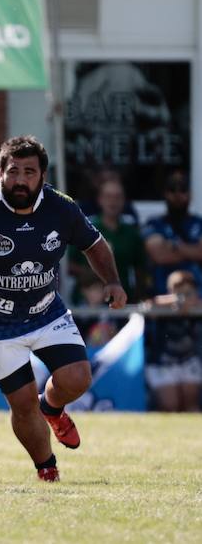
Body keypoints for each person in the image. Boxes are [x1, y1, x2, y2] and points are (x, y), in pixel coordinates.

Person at [0, 136, 127, 483]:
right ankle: (47, 467)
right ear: (0, 172)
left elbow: (95, 245)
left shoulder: (61, 207)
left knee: (78, 378)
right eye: (13, 171)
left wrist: (113, 281)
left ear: (42, 176)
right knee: (23, 402)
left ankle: (54, 408)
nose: (20, 180)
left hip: (47, 311)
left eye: (29, 172)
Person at [68, 178, 149, 304]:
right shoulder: (84, 228)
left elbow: (140, 270)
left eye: (118, 197)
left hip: (121, 302)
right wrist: (92, 273)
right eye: (108, 196)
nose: (113, 201)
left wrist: (138, 302)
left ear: (124, 201)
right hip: (87, 304)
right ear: (100, 200)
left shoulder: (132, 233)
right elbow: (67, 264)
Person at [143, 270, 202, 412]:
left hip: (188, 360)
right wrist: (175, 301)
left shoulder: (196, 303)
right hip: (162, 362)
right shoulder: (163, 304)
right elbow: (148, 306)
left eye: (188, 292)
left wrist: (192, 303)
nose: (183, 297)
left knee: (191, 404)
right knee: (170, 405)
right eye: (179, 292)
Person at [143, 169, 202, 295]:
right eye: (172, 190)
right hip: (162, 298)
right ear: (165, 194)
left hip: (197, 300)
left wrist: (173, 246)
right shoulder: (154, 223)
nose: (177, 195)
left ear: (190, 194)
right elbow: (160, 255)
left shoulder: (199, 223)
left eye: (183, 190)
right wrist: (192, 251)